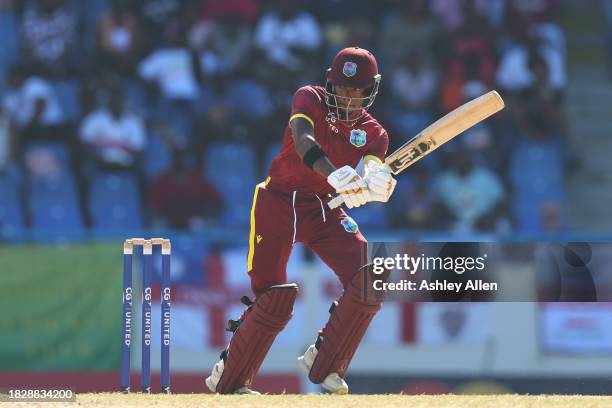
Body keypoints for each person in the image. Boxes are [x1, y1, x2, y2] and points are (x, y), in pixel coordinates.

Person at [205, 47, 397, 395]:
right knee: (273, 297)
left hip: (322, 206)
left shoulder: (375, 132)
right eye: (342, 88)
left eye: (357, 91)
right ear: (330, 83)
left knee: (371, 275)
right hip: (277, 201)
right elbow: (303, 140)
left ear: (371, 91)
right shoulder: (309, 97)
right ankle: (229, 375)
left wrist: (376, 183)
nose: (349, 97)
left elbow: (371, 166)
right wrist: (336, 173)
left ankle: (325, 363)